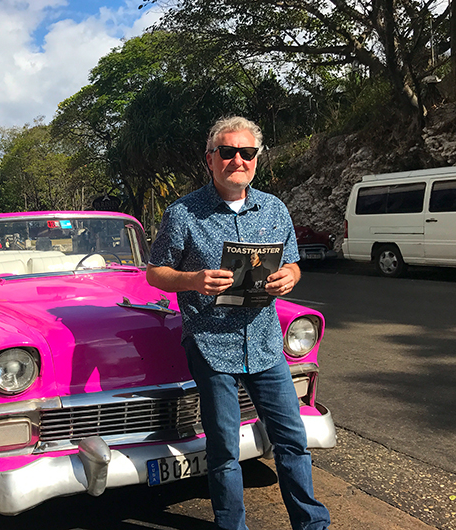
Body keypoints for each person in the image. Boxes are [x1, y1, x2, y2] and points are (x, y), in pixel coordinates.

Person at [146, 116, 330, 530]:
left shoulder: (275, 209)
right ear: (210, 159)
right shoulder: (183, 214)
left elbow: (293, 262)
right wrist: (193, 280)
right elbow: (155, 271)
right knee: (225, 448)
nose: (237, 160)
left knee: (292, 441)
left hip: (264, 343)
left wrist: (291, 276)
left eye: (246, 153)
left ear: (256, 160)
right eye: (227, 152)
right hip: (211, 344)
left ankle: (312, 524)